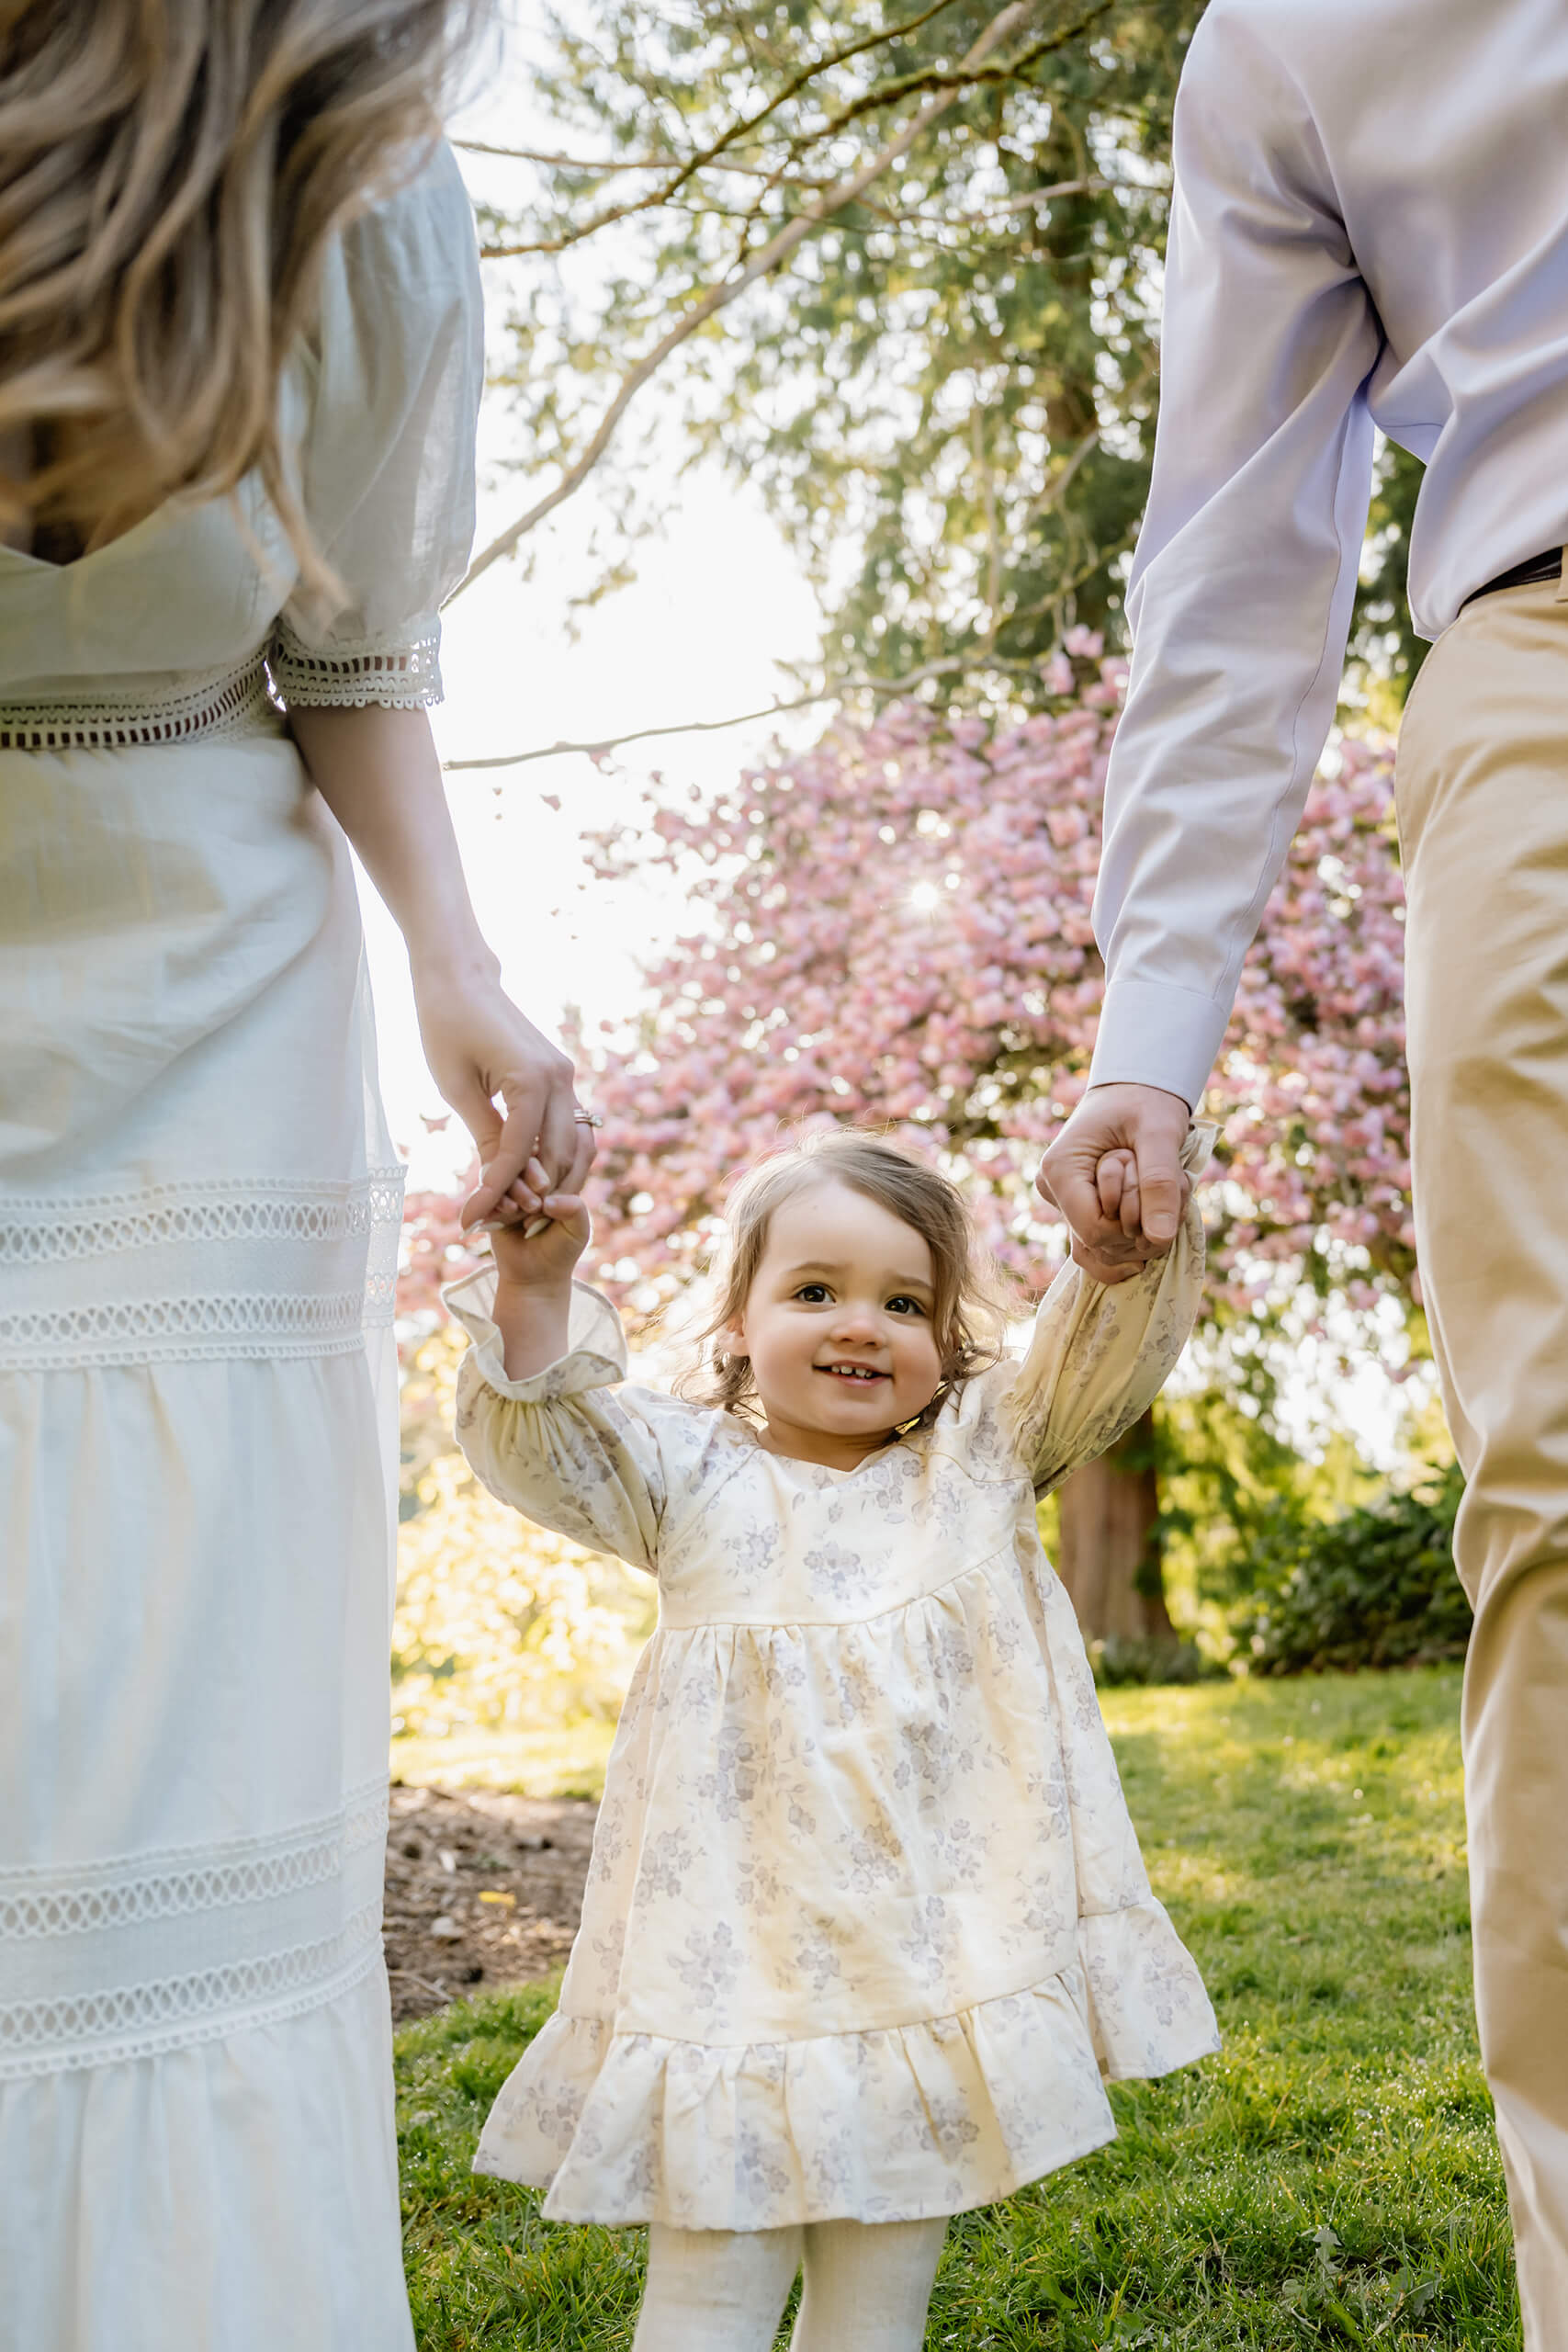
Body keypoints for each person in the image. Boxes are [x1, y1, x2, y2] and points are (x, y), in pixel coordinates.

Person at [0, 5, 578, 2345]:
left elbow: (352, 644)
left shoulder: (359, 183)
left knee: (167, 1804)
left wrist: (458, 962)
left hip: (196, 1026)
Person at [1032, 3, 1568, 2342]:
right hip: (1544, 655)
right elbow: (1234, 538)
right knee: (1556, 1495)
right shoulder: (1288, 37)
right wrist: (1154, 1024)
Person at [444, 1124, 1219, 2351]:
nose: (862, 1324)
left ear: (947, 1340)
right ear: (739, 1324)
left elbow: (1105, 1349)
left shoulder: (976, 1462)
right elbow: (549, 1446)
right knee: (708, 2295)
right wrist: (536, 1288)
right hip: (731, 1980)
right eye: (815, 1291)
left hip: (919, 1976)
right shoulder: (687, 1472)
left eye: (904, 1302)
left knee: (879, 2301)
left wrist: (1116, 1251)